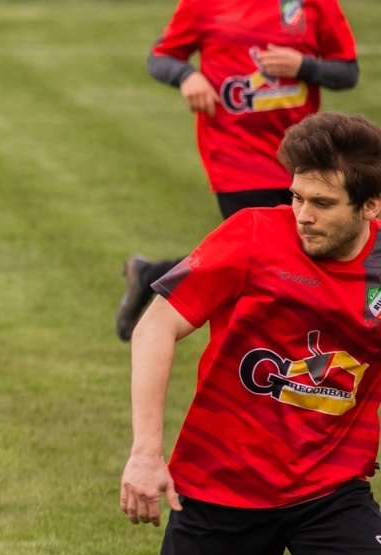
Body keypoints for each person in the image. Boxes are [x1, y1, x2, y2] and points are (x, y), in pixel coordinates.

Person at [93, 112, 381, 555]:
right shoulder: (255, 236)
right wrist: (144, 450)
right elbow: (158, 324)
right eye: (296, 196)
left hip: (327, 486)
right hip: (222, 485)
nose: (301, 214)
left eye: (321, 203)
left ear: (371, 208)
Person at [115, 0, 358, 341]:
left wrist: (304, 66)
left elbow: (347, 71)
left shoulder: (316, 4)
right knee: (266, 256)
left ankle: (150, 274)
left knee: (283, 251)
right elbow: (161, 57)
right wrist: (188, 76)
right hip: (235, 155)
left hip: (300, 156)